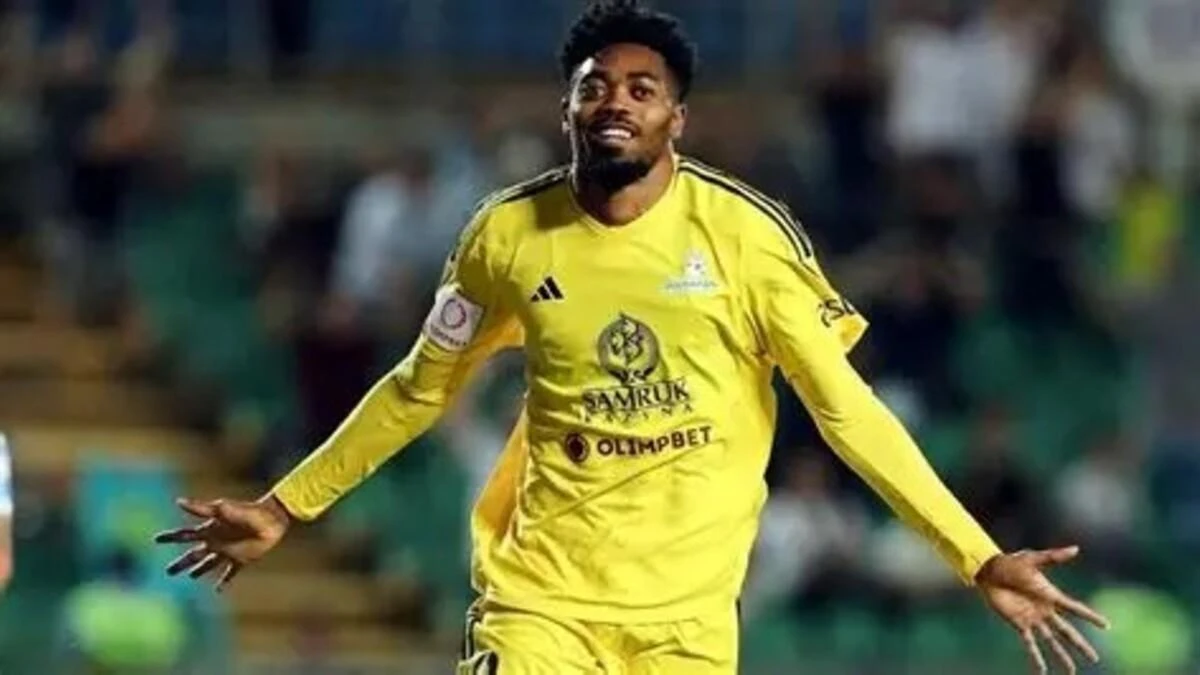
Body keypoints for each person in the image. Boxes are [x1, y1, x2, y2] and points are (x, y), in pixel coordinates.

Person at [154, 2, 1108, 673]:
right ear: (568, 107)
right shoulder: (505, 236)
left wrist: (977, 554)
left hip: (685, 628)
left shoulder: (747, 238)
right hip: (540, 605)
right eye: (595, 85)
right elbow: (419, 387)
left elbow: (846, 411)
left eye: (642, 88)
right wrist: (285, 505)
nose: (616, 100)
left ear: (675, 118)